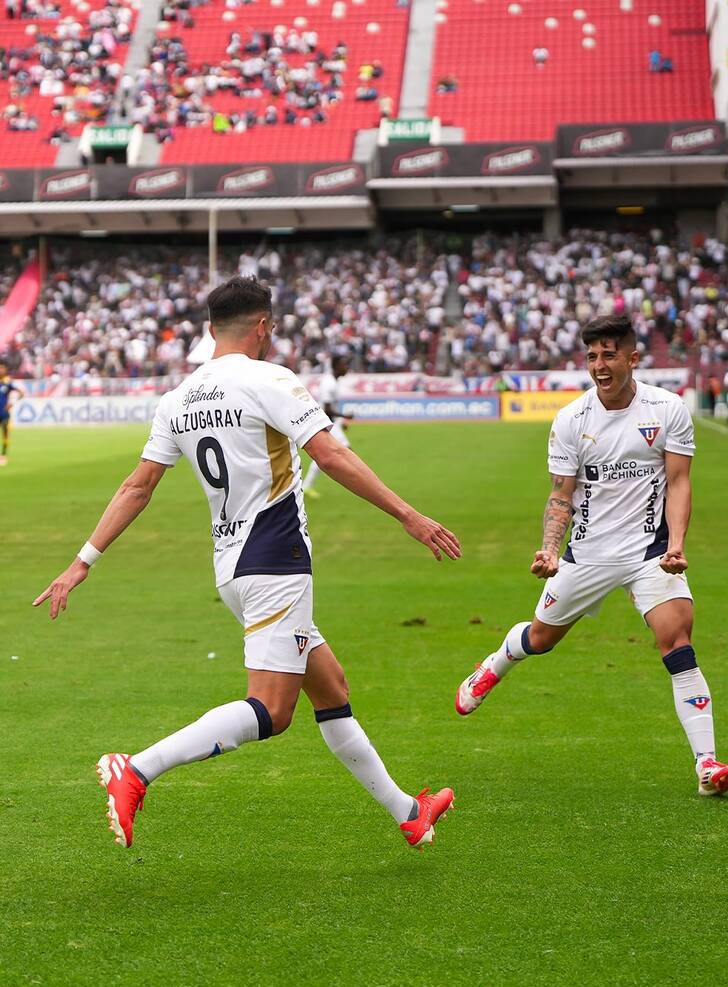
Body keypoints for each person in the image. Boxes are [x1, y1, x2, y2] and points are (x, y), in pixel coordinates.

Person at [34, 276, 459, 850]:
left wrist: (82, 561)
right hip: (276, 560)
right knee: (273, 710)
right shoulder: (271, 380)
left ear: (212, 330)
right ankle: (135, 770)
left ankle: (410, 812)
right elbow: (330, 454)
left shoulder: (179, 397)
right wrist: (409, 515)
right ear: (262, 327)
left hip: (233, 565)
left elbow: (138, 486)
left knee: (330, 687)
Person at [455, 315, 728, 798]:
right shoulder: (572, 419)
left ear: (632, 358)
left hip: (651, 552)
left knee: (678, 642)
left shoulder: (667, 409)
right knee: (541, 639)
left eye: (609, 355)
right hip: (587, 554)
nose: (599, 366)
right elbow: (561, 493)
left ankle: (707, 764)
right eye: (592, 356)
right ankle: (499, 660)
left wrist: (676, 545)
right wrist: (549, 548)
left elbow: (679, 481)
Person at [304, 355, 352, 498]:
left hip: (331, 423)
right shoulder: (329, 383)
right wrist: (344, 416)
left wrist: (340, 423)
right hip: (326, 422)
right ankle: (355, 483)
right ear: (336, 366)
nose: (346, 368)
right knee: (346, 451)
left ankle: (306, 486)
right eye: (344, 365)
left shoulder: (333, 382)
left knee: (323, 455)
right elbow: (326, 409)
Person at [0, 360, 23, 466]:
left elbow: (21, 393)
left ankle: (3, 455)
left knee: (5, 434)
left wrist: (12, 403)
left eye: (2, 368)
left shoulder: (7, 382)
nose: (0, 370)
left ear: (5, 369)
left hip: (4, 413)